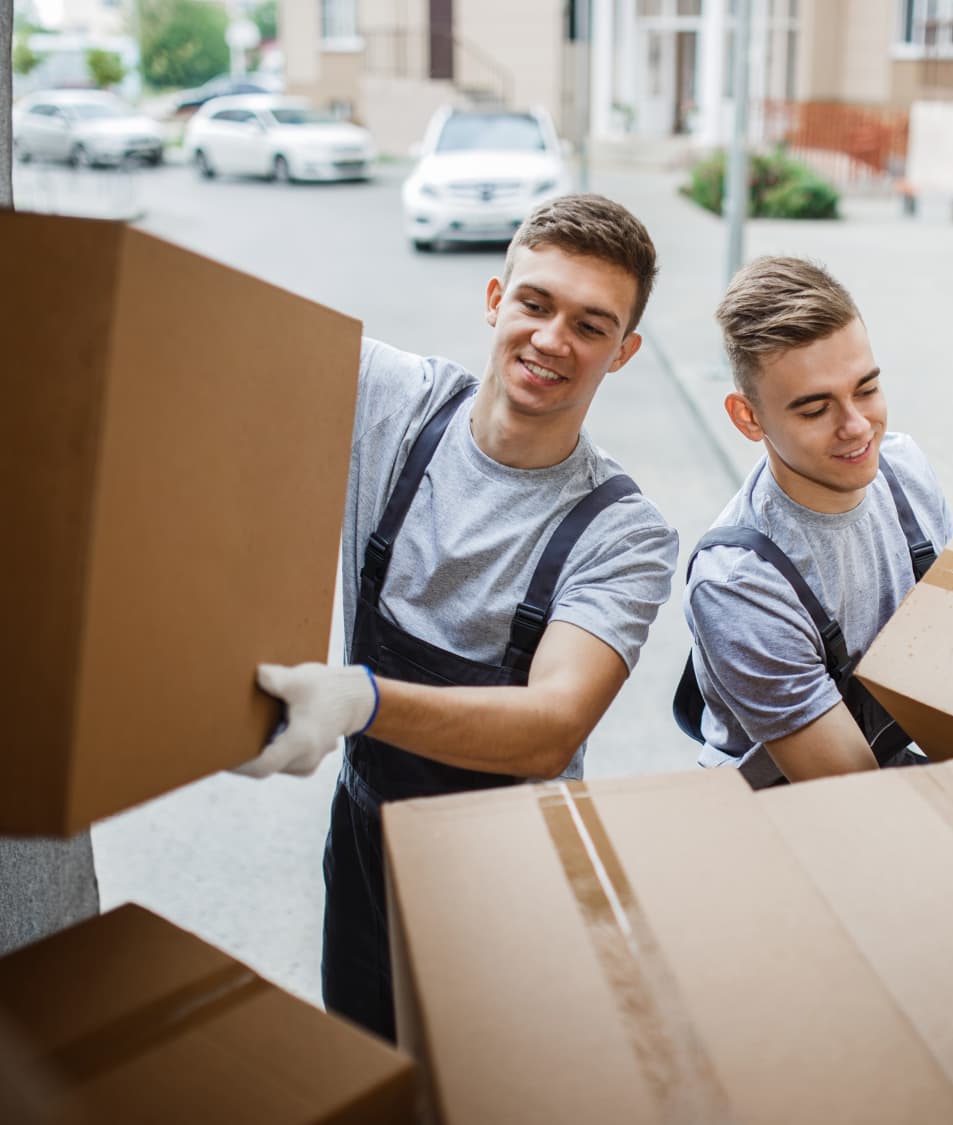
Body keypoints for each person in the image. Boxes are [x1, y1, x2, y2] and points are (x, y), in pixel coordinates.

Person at [239, 194, 679, 1042]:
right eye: (536, 303)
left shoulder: (625, 533)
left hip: (509, 869)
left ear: (622, 353)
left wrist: (360, 700)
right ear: (494, 299)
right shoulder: (395, 404)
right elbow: (228, 338)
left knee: (483, 1084)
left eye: (592, 326)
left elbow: (550, 726)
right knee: (365, 1059)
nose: (554, 340)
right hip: (366, 836)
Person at [675, 256, 953, 789]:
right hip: (796, 809)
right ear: (748, 417)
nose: (857, 428)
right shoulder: (738, 583)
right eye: (814, 409)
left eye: (866, 389)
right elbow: (850, 791)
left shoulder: (907, 470)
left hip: (891, 772)